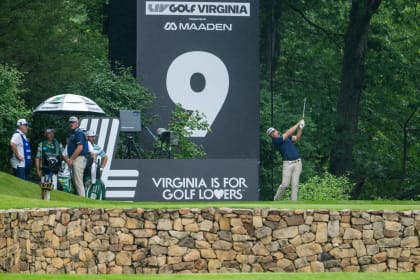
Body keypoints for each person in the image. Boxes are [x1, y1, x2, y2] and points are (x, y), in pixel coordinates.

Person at [267, 119, 305, 201]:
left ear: (276, 131)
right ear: (271, 136)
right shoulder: (276, 141)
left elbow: (297, 138)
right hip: (288, 164)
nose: (273, 133)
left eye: (274, 131)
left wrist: (301, 128)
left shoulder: (287, 138)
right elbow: (288, 132)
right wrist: (298, 123)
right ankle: (276, 199)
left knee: (295, 185)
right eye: (271, 133)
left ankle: (293, 203)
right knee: (285, 184)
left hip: (297, 163)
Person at [66, 116, 88, 197]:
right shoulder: (73, 133)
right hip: (76, 159)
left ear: (77, 123)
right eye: (70, 122)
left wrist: (71, 159)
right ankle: (81, 200)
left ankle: (83, 203)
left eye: (73, 122)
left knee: (78, 181)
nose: (71, 124)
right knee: (76, 181)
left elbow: (80, 147)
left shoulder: (79, 132)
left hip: (79, 158)